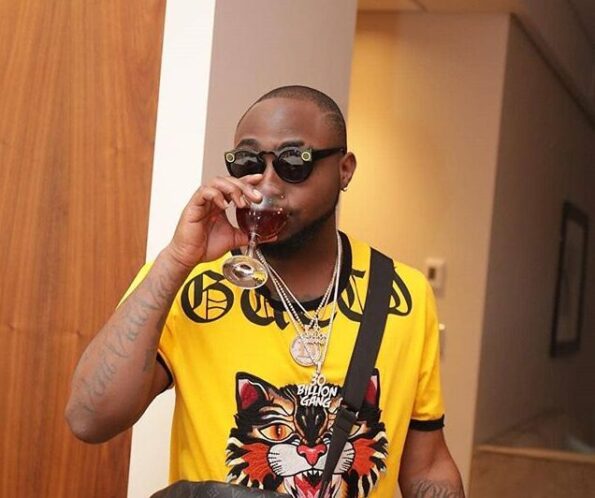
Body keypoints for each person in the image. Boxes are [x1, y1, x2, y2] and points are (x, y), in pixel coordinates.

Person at [66, 85, 464, 498]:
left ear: (344, 170)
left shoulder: (402, 293)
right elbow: (89, 419)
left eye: (294, 163)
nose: (267, 184)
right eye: (249, 163)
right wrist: (175, 261)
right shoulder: (189, 281)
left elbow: (427, 464)